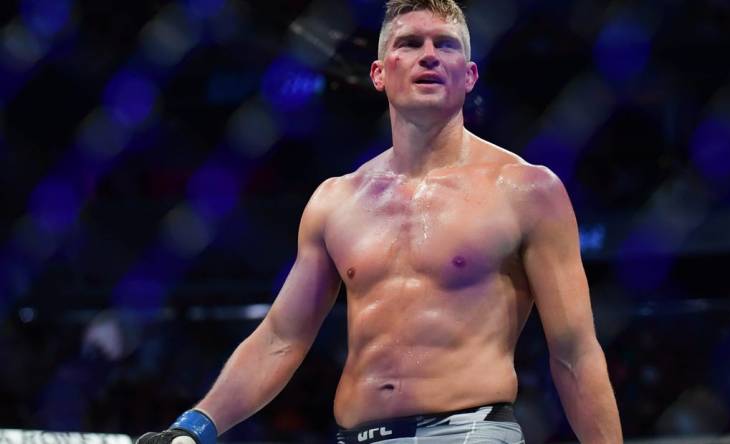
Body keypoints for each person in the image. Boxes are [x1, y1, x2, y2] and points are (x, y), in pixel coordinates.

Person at [137, 0, 623, 443]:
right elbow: (281, 337)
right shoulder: (336, 200)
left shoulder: (527, 190)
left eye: (445, 45)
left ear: (469, 74)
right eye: (410, 43)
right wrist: (194, 427)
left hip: (468, 433)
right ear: (378, 72)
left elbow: (574, 353)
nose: (428, 56)